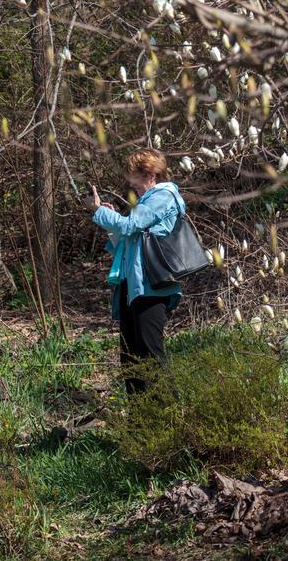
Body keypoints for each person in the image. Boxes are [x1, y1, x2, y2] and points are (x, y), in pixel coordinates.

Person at [89, 148, 186, 393]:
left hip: (152, 288)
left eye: (136, 179)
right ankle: (138, 425)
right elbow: (126, 242)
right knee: (131, 361)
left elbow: (131, 225)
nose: (134, 186)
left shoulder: (163, 196)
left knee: (151, 356)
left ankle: (170, 420)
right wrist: (110, 220)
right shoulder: (147, 201)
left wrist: (99, 211)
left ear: (151, 174)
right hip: (133, 287)